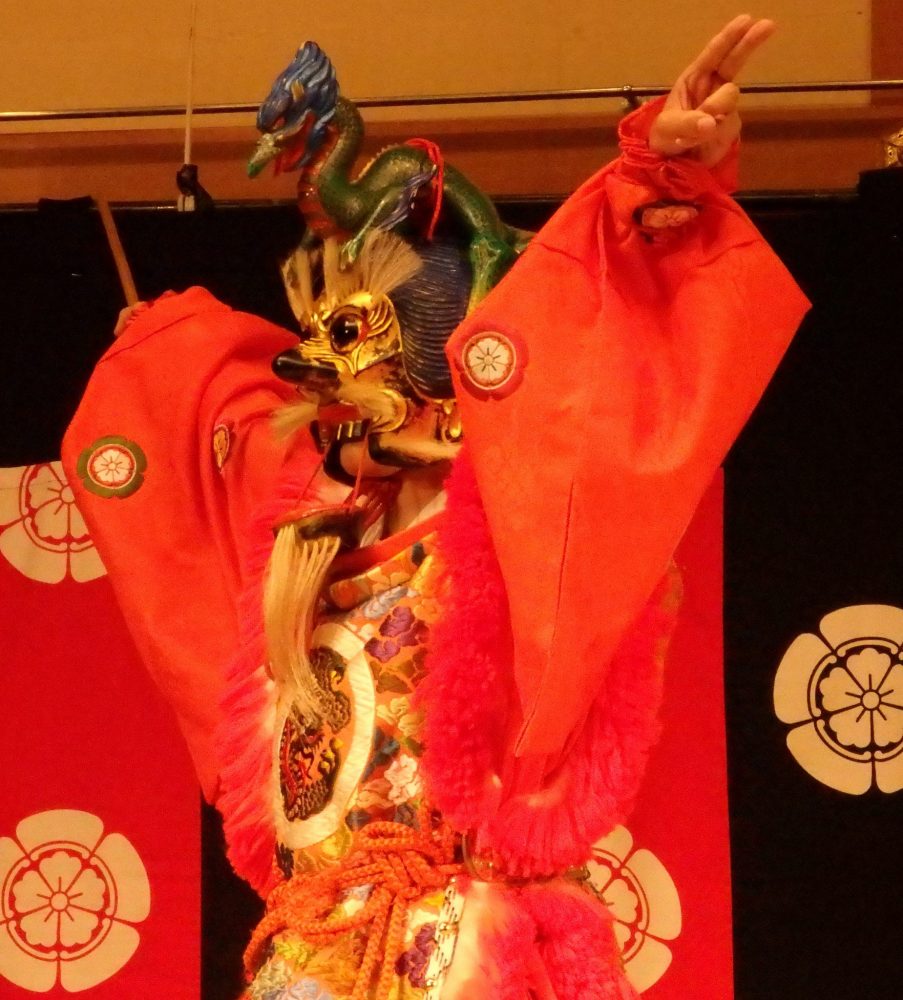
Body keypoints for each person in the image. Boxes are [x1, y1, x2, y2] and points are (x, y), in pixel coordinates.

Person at [64, 15, 808, 999]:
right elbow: (200, 430)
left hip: (480, 947)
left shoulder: (529, 523)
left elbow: (612, 385)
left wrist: (663, 187)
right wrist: (155, 352)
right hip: (320, 951)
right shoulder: (316, 525)